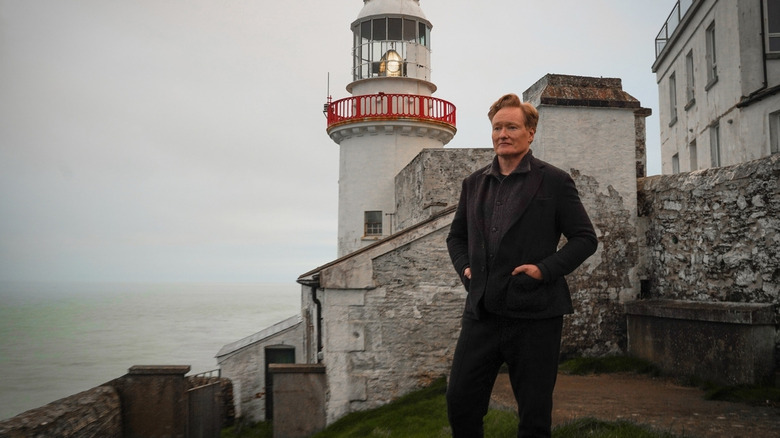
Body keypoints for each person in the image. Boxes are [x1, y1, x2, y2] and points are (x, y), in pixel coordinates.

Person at [445, 93, 598, 437]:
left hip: (535, 316)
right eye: (497, 127)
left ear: (530, 132)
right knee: (460, 402)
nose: (503, 134)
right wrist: (466, 268)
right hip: (481, 313)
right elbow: (456, 237)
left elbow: (585, 239)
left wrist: (543, 270)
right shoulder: (473, 184)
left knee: (534, 416)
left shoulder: (555, 181)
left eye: (511, 127)